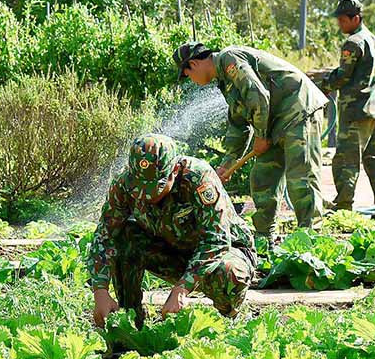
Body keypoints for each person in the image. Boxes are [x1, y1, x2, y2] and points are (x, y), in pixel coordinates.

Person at [89, 134, 257, 329]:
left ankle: (228, 321)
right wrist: (100, 291)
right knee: (125, 237)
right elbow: (105, 235)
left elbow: (216, 240)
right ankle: (130, 323)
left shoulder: (199, 178)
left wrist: (181, 289)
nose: (147, 196)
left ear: (175, 170)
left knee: (230, 273)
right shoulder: (123, 184)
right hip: (170, 251)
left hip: (224, 251)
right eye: (140, 188)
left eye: (155, 188)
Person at [173, 42, 328, 240]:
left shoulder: (230, 59)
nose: (191, 80)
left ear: (193, 64)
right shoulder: (224, 81)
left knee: (301, 180)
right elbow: (238, 125)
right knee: (262, 179)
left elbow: (258, 95)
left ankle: (311, 240)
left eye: (187, 75)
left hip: (298, 112)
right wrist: (227, 164)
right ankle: (265, 239)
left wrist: (261, 135)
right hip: (274, 123)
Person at [320, 0, 375, 220]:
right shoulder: (373, 40)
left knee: (346, 159)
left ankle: (343, 206)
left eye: (343, 20)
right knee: (374, 156)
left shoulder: (353, 42)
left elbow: (343, 76)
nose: (340, 25)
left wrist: (323, 86)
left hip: (357, 110)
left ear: (355, 18)